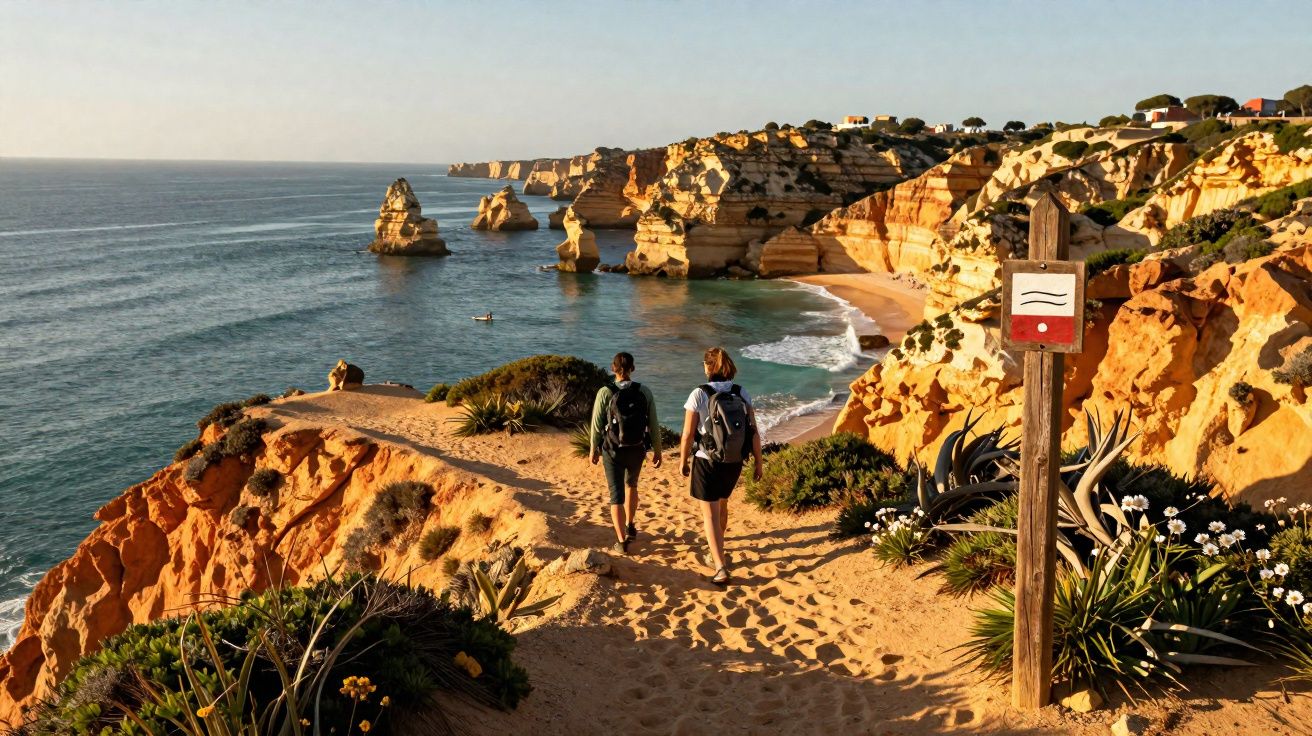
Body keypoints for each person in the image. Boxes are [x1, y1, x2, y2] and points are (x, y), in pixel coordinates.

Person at [679, 347, 763, 586]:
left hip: (707, 461)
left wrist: (683, 460)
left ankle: (720, 567)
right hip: (733, 462)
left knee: (710, 516)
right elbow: (753, 432)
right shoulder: (740, 392)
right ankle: (718, 549)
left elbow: (687, 434)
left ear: (708, 367)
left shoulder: (699, 394)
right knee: (722, 505)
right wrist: (759, 462)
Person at [589, 352, 662, 554]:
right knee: (632, 485)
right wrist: (657, 449)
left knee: (616, 495)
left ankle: (621, 542)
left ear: (613, 368)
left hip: (613, 450)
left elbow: (596, 424)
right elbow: (653, 423)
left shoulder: (605, 392)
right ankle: (630, 525)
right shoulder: (644, 391)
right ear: (633, 369)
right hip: (637, 449)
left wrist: (593, 449)